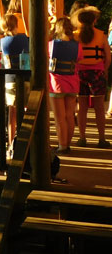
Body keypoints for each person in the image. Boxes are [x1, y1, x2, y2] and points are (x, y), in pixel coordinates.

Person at [72, 6, 111, 148]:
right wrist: (104, 69)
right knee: (99, 107)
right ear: (94, 20)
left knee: (81, 107)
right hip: (97, 73)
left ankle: (82, 138)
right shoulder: (101, 35)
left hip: (79, 73)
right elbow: (108, 55)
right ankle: (102, 139)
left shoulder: (74, 35)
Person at [49, 17, 81, 154]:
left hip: (56, 84)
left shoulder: (51, 44)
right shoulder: (77, 45)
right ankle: (67, 143)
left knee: (59, 117)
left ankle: (62, 145)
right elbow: (79, 58)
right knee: (69, 115)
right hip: (73, 83)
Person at [0, 14, 30, 150]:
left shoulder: (3, 42)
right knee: (27, 109)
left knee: (12, 111)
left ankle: (11, 142)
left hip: (10, 79)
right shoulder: (25, 39)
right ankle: (27, 140)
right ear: (17, 24)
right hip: (26, 77)